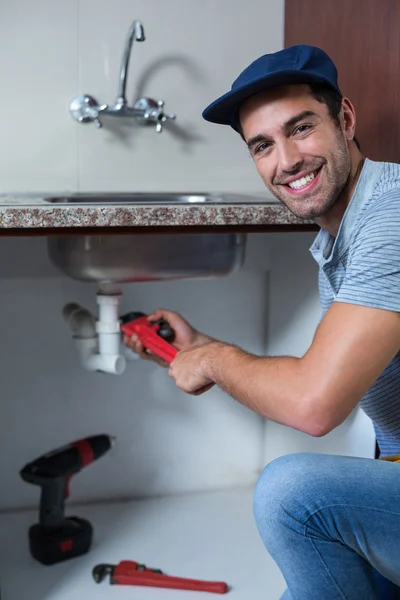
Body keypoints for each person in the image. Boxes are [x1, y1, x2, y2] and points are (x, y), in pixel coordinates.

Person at [124, 45, 400, 599]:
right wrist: (202, 346)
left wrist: (214, 360)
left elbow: (314, 403)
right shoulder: (345, 232)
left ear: (345, 119)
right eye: (262, 146)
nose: (287, 161)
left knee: (290, 494)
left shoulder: (391, 216)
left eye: (301, 128)